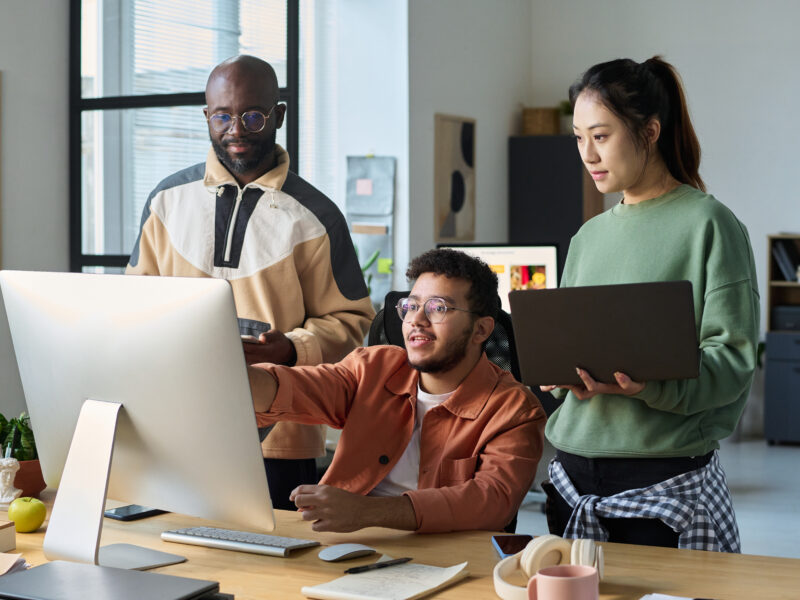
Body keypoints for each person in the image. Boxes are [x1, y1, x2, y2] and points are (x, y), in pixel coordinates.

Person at [127, 55, 375, 509]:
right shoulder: (165, 201)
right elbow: (134, 304)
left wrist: (291, 349)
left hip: (280, 437)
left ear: (278, 116)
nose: (235, 130)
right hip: (176, 426)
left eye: (252, 116)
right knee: (176, 560)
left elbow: (353, 322)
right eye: (222, 116)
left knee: (273, 572)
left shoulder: (317, 217)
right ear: (207, 116)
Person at [540, 56, 759, 552]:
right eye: (578, 138)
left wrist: (650, 386)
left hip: (661, 481)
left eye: (601, 136)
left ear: (650, 131)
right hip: (571, 478)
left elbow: (734, 361)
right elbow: (574, 345)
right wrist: (558, 373)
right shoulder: (586, 237)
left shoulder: (710, 225)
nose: (587, 154)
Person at [247, 249, 547, 533]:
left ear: (481, 330)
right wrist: (234, 376)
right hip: (346, 542)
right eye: (412, 306)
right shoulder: (373, 367)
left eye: (437, 308)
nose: (416, 320)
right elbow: (294, 388)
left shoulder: (515, 410)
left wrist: (365, 512)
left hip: (447, 557)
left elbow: (490, 501)